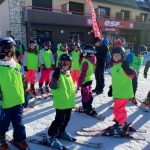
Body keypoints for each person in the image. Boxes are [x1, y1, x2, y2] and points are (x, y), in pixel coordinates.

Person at [0, 39, 29, 150]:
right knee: (3, 124)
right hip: (5, 105)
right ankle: (1, 138)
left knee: (19, 124)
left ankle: (19, 139)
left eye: (11, 52)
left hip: (17, 101)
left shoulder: (16, 66)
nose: (10, 56)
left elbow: (22, 81)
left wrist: (25, 94)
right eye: (7, 53)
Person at [104, 46, 136, 136]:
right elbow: (117, 79)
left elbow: (133, 74)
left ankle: (120, 126)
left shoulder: (124, 65)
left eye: (118, 55)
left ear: (122, 55)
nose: (116, 57)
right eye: (114, 55)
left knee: (117, 109)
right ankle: (123, 122)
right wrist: (112, 87)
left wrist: (128, 69)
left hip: (123, 93)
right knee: (121, 109)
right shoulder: (114, 66)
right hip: (119, 92)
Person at [46, 54, 75, 149]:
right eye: (64, 62)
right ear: (60, 63)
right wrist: (56, 76)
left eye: (68, 63)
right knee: (59, 120)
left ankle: (61, 132)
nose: (66, 64)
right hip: (61, 102)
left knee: (67, 119)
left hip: (69, 102)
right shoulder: (56, 73)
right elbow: (53, 87)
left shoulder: (68, 74)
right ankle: (50, 136)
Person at [77, 44, 97, 116]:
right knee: (88, 93)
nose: (82, 52)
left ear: (88, 52)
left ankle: (86, 108)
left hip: (85, 81)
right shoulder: (92, 58)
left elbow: (83, 73)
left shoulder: (85, 61)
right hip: (89, 79)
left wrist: (79, 83)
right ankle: (89, 106)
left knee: (85, 95)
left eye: (84, 51)